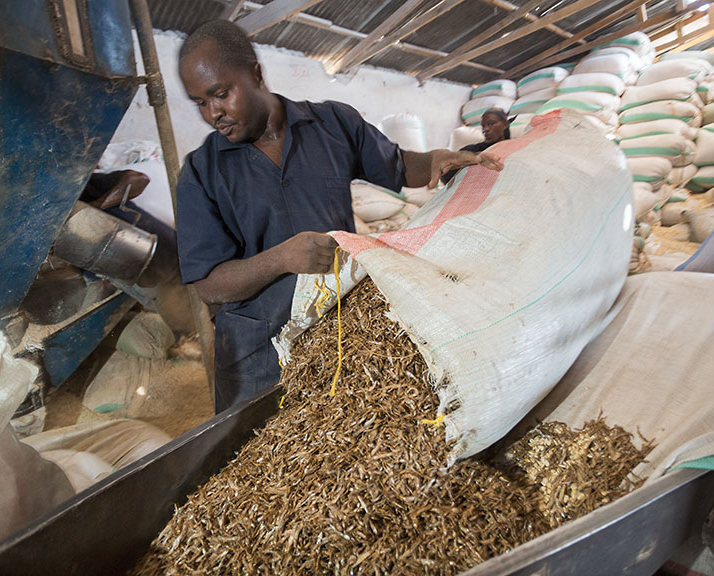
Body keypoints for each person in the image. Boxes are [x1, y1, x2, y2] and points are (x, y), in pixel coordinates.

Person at [175, 20, 502, 413]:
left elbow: (398, 166)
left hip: (339, 332)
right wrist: (280, 259)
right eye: (200, 103)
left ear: (256, 75)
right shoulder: (201, 172)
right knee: (259, 441)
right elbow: (209, 285)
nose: (213, 113)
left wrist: (434, 159)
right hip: (257, 353)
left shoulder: (332, 125)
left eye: (220, 94)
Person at [441, 109, 511, 185]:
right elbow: (444, 174)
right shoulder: (472, 150)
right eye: (483, 126)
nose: (485, 129)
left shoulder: (515, 147)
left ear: (505, 124)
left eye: (490, 124)